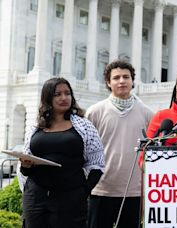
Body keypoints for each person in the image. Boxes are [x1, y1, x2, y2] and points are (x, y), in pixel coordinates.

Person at [20, 77, 105, 228]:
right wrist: (25, 166)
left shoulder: (84, 126)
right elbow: (27, 168)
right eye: (57, 94)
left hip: (70, 199)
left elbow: (97, 164)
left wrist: (83, 191)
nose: (64, 98)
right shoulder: (36, 127)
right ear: (47, 98)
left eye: (67, 93)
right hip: (36, 197)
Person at [86, 60, 154, 228]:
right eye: (116, 78)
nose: (122, 81)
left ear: (133, 81)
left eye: (126, 77)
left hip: (134, 191)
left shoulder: (147, 113)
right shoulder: (95, 112)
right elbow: (85, 149)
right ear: (109, 83)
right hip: (101, 189)